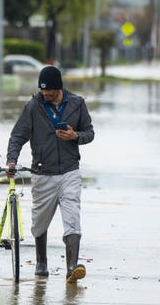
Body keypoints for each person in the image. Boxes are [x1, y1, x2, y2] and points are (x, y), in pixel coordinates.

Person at [5, 65, 94, 283]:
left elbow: (89, 133)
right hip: (42, 172)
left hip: (70, 171)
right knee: (40, 221)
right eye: (42, 90)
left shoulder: (77, 104)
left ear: (59, 87)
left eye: (49, 91)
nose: (45, 94)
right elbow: (18, 136)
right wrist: (12, 159)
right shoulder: (34, 107)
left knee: (73, 217)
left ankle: (72, 267)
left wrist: (75, 136)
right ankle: (41, 261)